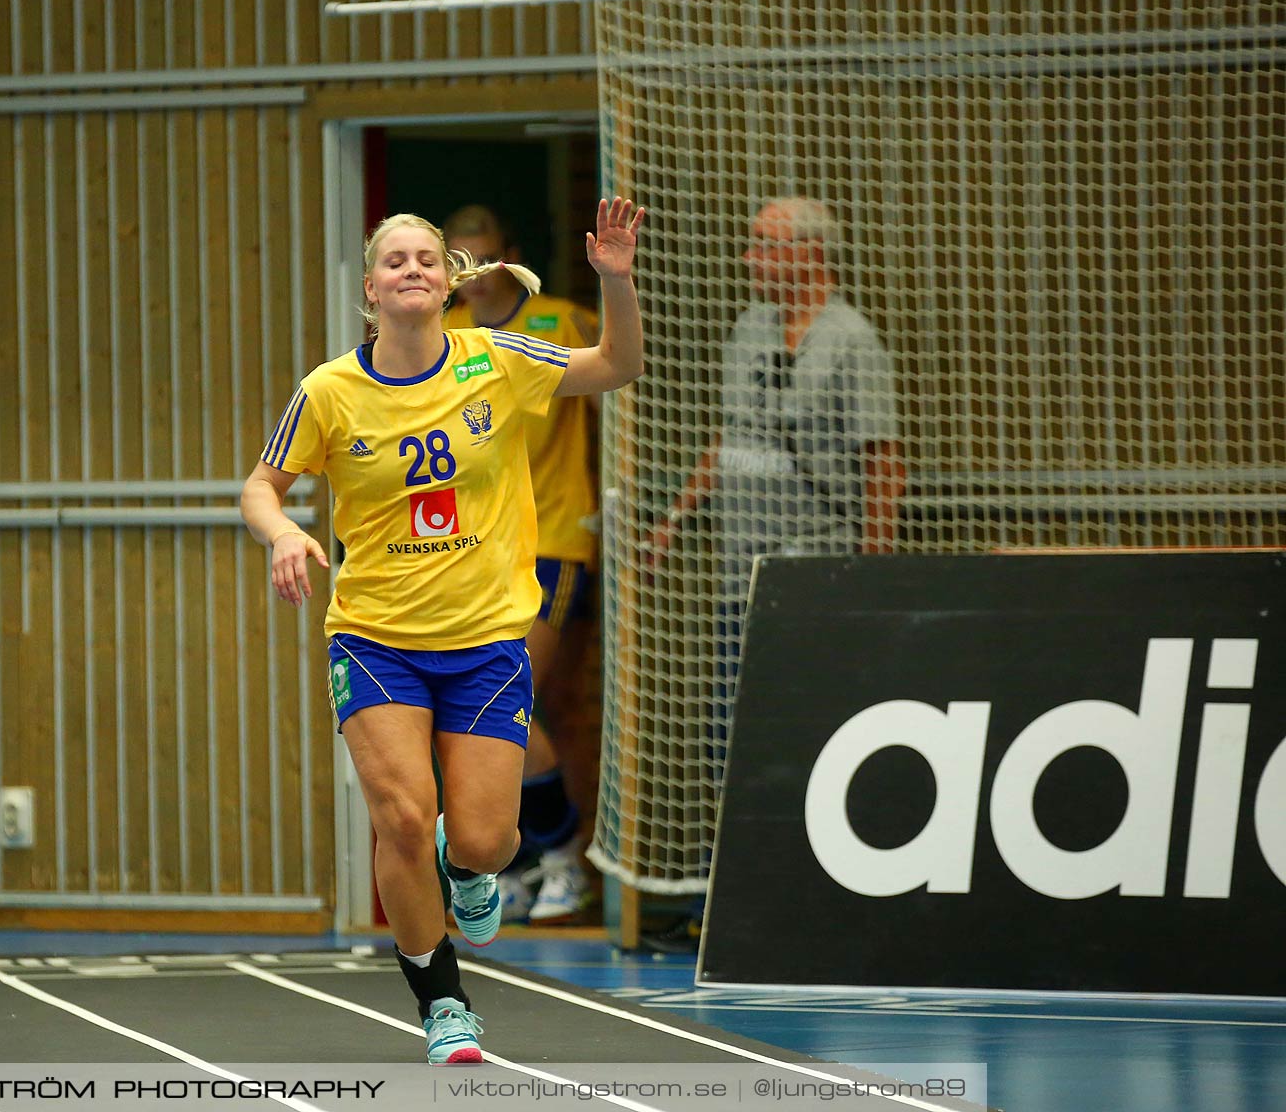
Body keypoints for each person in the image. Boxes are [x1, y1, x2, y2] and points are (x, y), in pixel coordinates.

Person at [241, 197, 646, 1064]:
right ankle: (444, 1004)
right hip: (376, 638)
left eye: (429, 257)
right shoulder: (329, 390)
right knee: (399, 815)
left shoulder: (496, 359)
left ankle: (468, 872)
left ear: (452, 280)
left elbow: (616, 365)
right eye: (397, 260)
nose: (415, 268)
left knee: (483, 837)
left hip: (485, 642)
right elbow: (261, 486)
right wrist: (284, 533)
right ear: (372, 290)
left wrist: (617, 280)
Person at [646, 198, 903, 945]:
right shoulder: (749, 329)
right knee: (730, 737)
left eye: (765, 245)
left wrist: (871, 572)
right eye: (752, 244)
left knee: (808, 735)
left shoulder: (852, 341)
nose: (750, 258)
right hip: (740, 575)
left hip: (816, 573)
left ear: (809, 253)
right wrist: (676, 520)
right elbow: (731, 437)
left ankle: (817, 901)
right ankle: (728, 908)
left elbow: (882, 458)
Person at [443, 205, 602, 925]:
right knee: (476, 712)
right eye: (456, 265)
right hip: (474, 552)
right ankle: (532, 856)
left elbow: (623, 389)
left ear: (508, 258)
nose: (468, 279)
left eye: (479, 262)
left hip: (551, 544)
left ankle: (563, 850)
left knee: (511, 702)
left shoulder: (562, 324)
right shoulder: (443, 339)